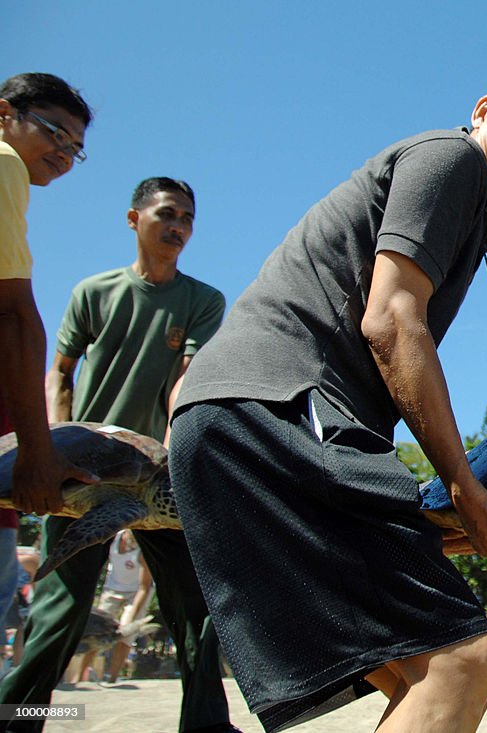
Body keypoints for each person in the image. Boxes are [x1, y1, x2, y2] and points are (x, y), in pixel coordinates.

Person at [168, 58, 487, 733]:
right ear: (484, 110)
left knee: (415, 667)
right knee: (463, 659)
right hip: (278, 408)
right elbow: (392, 320)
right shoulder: (449, 159)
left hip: (232, 421)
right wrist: (464, 488)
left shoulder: (472, 213)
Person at [0, 177, 238, 733]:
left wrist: (181, 458)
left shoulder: (202, 301)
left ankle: (206, 726)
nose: (178, 227)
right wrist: (49, 452)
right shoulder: (94, 291)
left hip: (160, 475)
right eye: (167, 214)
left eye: (187, 218)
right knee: (59, 614)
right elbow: (58, 374)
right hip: (84, 470)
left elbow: (187, 382)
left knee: (197, 612)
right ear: (134, 219)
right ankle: (18, 720)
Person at [0, 73, 97, 517]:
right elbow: (13, 315)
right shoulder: (5, 163)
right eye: (55, 133)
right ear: (5, 114)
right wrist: (37, 453)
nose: (64, 153)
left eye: (76, 148)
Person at [76, 530, 154, 685]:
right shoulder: (113, 537)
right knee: (95, 632)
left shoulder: (143, 550)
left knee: (125, 633)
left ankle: (112, 678)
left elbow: (144, 587)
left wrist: (131, 616)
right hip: (112, 589)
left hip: (137, 591)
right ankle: (80, 678)